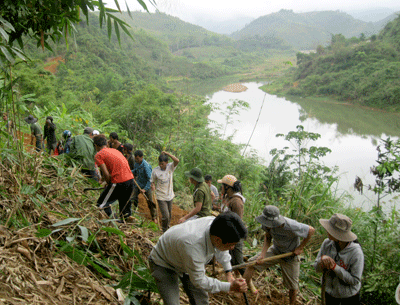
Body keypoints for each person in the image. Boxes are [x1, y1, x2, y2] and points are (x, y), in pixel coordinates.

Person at [149, 211, 248, 305]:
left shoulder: (218, 227)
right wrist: (230, 286)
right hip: (164, 262)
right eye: (231, 245)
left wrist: (229, 274)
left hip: (185, 259)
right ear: (218, 240)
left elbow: (223, 249)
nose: (232, 248)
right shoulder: (193, 246)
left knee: (201, 301)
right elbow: (199, 281)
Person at [244, 205, 315, 305]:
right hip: (276, 250)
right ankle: (241, 291)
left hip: (291, 256)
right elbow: (268, 237)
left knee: (293, 287)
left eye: (270, 224)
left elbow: (311, 230)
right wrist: (263, 255)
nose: (267, 226)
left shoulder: (291, 225)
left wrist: (300, 247)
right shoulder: (266, 224)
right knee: (251, 263)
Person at [314, 213, 364, 305]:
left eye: (330, 230)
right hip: (329, 294)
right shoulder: (327, 243)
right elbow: (316, 267)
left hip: (349, 297)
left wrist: (335, 267)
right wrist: (322, 261)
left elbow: (355, 281)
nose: (327, 231)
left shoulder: (356, 252)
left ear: (338, 235)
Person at [93, 135, 134, 221]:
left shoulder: (99, 155)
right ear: (106, 144)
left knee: (101, 204)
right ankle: (125, 223)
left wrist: (108, 183)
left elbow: (106, 174)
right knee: (124, 210)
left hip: (119, 182)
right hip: (130, 180)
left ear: (96, 146)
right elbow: (114, 167)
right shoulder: (115, 151)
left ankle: (115, 221)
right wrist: (105, 181)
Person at [217, 174, 245, 274]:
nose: (221, 188)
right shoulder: (228, 198)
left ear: (227, 187)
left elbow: (237, 222)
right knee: (231, 260)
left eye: (222, 186)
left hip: (234, 235)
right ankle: (237, 280)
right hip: (227, 234)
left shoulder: (236, 202)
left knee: (238, 262)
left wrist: (233, 239)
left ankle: (247, 282)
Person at [150, 151, 179, 232]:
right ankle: (164, 230)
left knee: (169, 215)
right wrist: (153, 185)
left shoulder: (171, 167)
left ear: (167, 162)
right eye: (159, 163)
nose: (161, 165)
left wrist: (167, 153)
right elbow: (152, 180)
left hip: (170, 195)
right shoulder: (155, 171)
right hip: (161, 196)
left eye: (162, 164)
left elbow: (177, 160)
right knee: (165, 215)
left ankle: (167, 228)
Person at [131, 150, 157, 223]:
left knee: (150, 202)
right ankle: (132, 212)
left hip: (147, 186)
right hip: (138, 184)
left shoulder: (146, 166)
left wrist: (145, 189)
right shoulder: (136, 163)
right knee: (133, 198)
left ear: (142, 157)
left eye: (138, 159)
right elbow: (135, 171)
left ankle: (154, 217)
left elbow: (150, 179)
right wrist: (131, 172)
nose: (136, 160)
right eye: (136, 159)